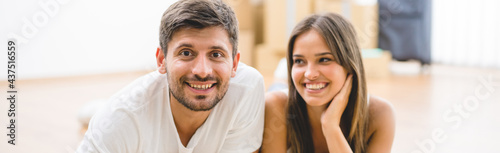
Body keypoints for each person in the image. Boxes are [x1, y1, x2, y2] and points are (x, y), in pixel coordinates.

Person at [76, 0, 265, 152]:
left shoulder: (248, 89)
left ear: (234, 64)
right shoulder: (118, 121)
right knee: (94, 114)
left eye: (216, 54)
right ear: (161, 60)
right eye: (186, 53)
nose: (202, 71)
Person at [261, 13, 395, 153]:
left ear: (349, 65)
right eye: (299, 61)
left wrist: (331, 127)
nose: (310, 73)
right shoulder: (275, 106)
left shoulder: (381, 114)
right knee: (279, 86)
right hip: (290, 91)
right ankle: (282, 74)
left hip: (310, 87)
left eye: (324, 60)